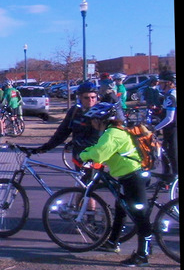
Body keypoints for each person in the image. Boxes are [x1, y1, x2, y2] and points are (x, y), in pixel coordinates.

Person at [77, 102, 154, 266]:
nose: (92, 122)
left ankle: (142, 255)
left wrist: (83, 155)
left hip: (134, 176)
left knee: (140, 216)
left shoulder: (111, 133)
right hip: (129, 175)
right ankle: (112, 242)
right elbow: (104, 151)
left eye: (94, 119)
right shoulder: (114, 131)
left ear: (102, 120)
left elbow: (99, 153)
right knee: (121, 207)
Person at [28, 82, 114, 164]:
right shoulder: (75, 111)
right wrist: (45, 148)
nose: (90, 100)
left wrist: (77, 142)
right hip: (79, 154)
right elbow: (62, 132)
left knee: (92, 178)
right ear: (80, 98)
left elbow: (104, 138)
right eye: (86, 98)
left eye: (93, 97)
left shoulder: (102, 113)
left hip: (97, 155)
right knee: (81, 179)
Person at [151, 71, 176, 180]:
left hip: (173, 130)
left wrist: (154, 129)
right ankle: (167, 178)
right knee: (165, 153)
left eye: (161, 83)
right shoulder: (169, 95)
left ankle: (174, 179)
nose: (159, 85)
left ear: (169, 83)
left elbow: (169, 118)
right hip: (168, 130)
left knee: (173, 155)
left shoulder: (171, 96)